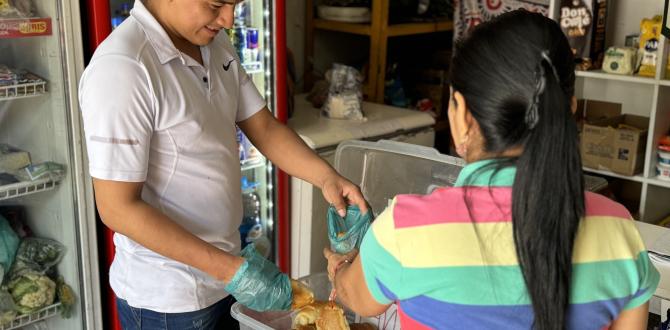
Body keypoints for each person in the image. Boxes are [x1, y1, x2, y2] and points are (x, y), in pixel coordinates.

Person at [324, 10, 659, 330]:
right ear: (569, 110)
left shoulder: (403, 231)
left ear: (463, 115)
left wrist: (342, 268)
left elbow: (358, 299)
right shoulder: (619, 230)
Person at [78, 0, 368, 328]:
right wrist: (232, 271)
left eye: (236, 3)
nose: (229, 18)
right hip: (168, 302)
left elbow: (264, 128)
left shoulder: (214, 42)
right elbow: (116, 208)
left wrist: (326, 177)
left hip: (224, 280)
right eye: (217, 4)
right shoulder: (124, 68)